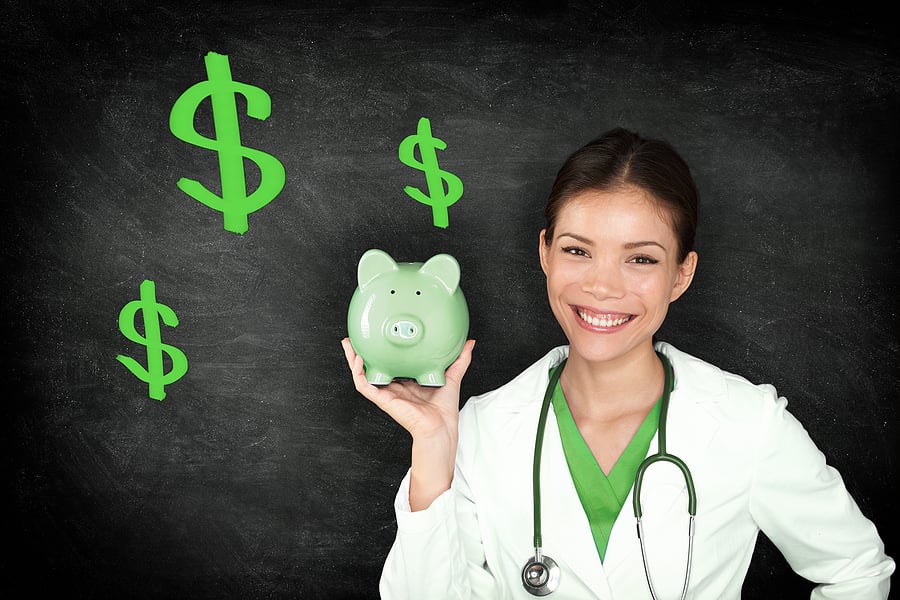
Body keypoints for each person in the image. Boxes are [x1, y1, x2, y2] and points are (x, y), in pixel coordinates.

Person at [340, 127, 894, 599]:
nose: (602, 286)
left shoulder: (748, 423)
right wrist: (434, 443)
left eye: (641, 259)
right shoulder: (478, 431)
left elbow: (857, 571)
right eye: (578, 250)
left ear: (682, 274)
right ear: (544, 253)